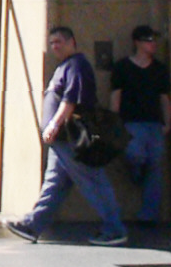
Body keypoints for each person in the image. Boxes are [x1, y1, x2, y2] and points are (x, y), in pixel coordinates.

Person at [8, 24, 126, 245]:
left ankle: (114, 229)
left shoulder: (77, 65)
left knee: (94, 182)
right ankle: (33, 225)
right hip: (61, 142)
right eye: (52, 43)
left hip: (73, 138)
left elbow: (70, 99)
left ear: (72, 42)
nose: (55, 46)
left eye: (59, 42)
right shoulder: (64, 66)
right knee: (55, 184)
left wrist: (54, 124)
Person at [109, 23, 170, 227]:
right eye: (148, 40)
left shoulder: (160, 69)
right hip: (131, 123)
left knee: (155, 166)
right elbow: (116, 96)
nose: (153, 44)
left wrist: (167, 121)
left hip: (154, 123)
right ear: (137, 42)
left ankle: (148, 215)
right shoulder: (122, 67)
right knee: (136, 156)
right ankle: (135, 173)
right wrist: (114, 122)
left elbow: (164, 98)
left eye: (154, 40)